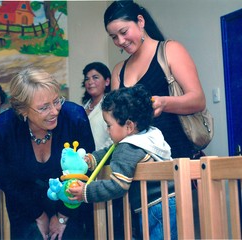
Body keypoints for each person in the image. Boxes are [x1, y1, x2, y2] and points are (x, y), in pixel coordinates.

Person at [0, 66, 95, 240]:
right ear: (22, 110)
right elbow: (6, 179)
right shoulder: (2, 129)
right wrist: (39, 215)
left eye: (57, 101)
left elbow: (88, 166)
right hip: (24, 206)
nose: (54, 111)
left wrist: (62, 215)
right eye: (44, 108)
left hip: (72, 204)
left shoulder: (74, 117)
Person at [68, 84, 177, 240]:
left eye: (109, 125)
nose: (107, 130)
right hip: (170, 201)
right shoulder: (147, 135)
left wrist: (87, 191)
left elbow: (118, 185)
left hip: (155, 207)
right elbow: (110, 151)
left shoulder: (128, 147)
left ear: (129, 126)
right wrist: (91, 159)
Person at [104, 0, 206, 159]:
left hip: (180, 158)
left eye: (124, 32)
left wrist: (164, 103)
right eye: (114, 37)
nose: (120, 41)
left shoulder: (170, 50)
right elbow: (118, 120)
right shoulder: (118, 71)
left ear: (140, 21)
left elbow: (198, 100)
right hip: (140, 166)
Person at [82, 62, 113, 150]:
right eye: (87, 79)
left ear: (107, 81)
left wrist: (97, 156)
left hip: (103, 159)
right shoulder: (83, 107)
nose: (90, 82)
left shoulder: (112, 105)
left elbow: (114, 138)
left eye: (95, 77)